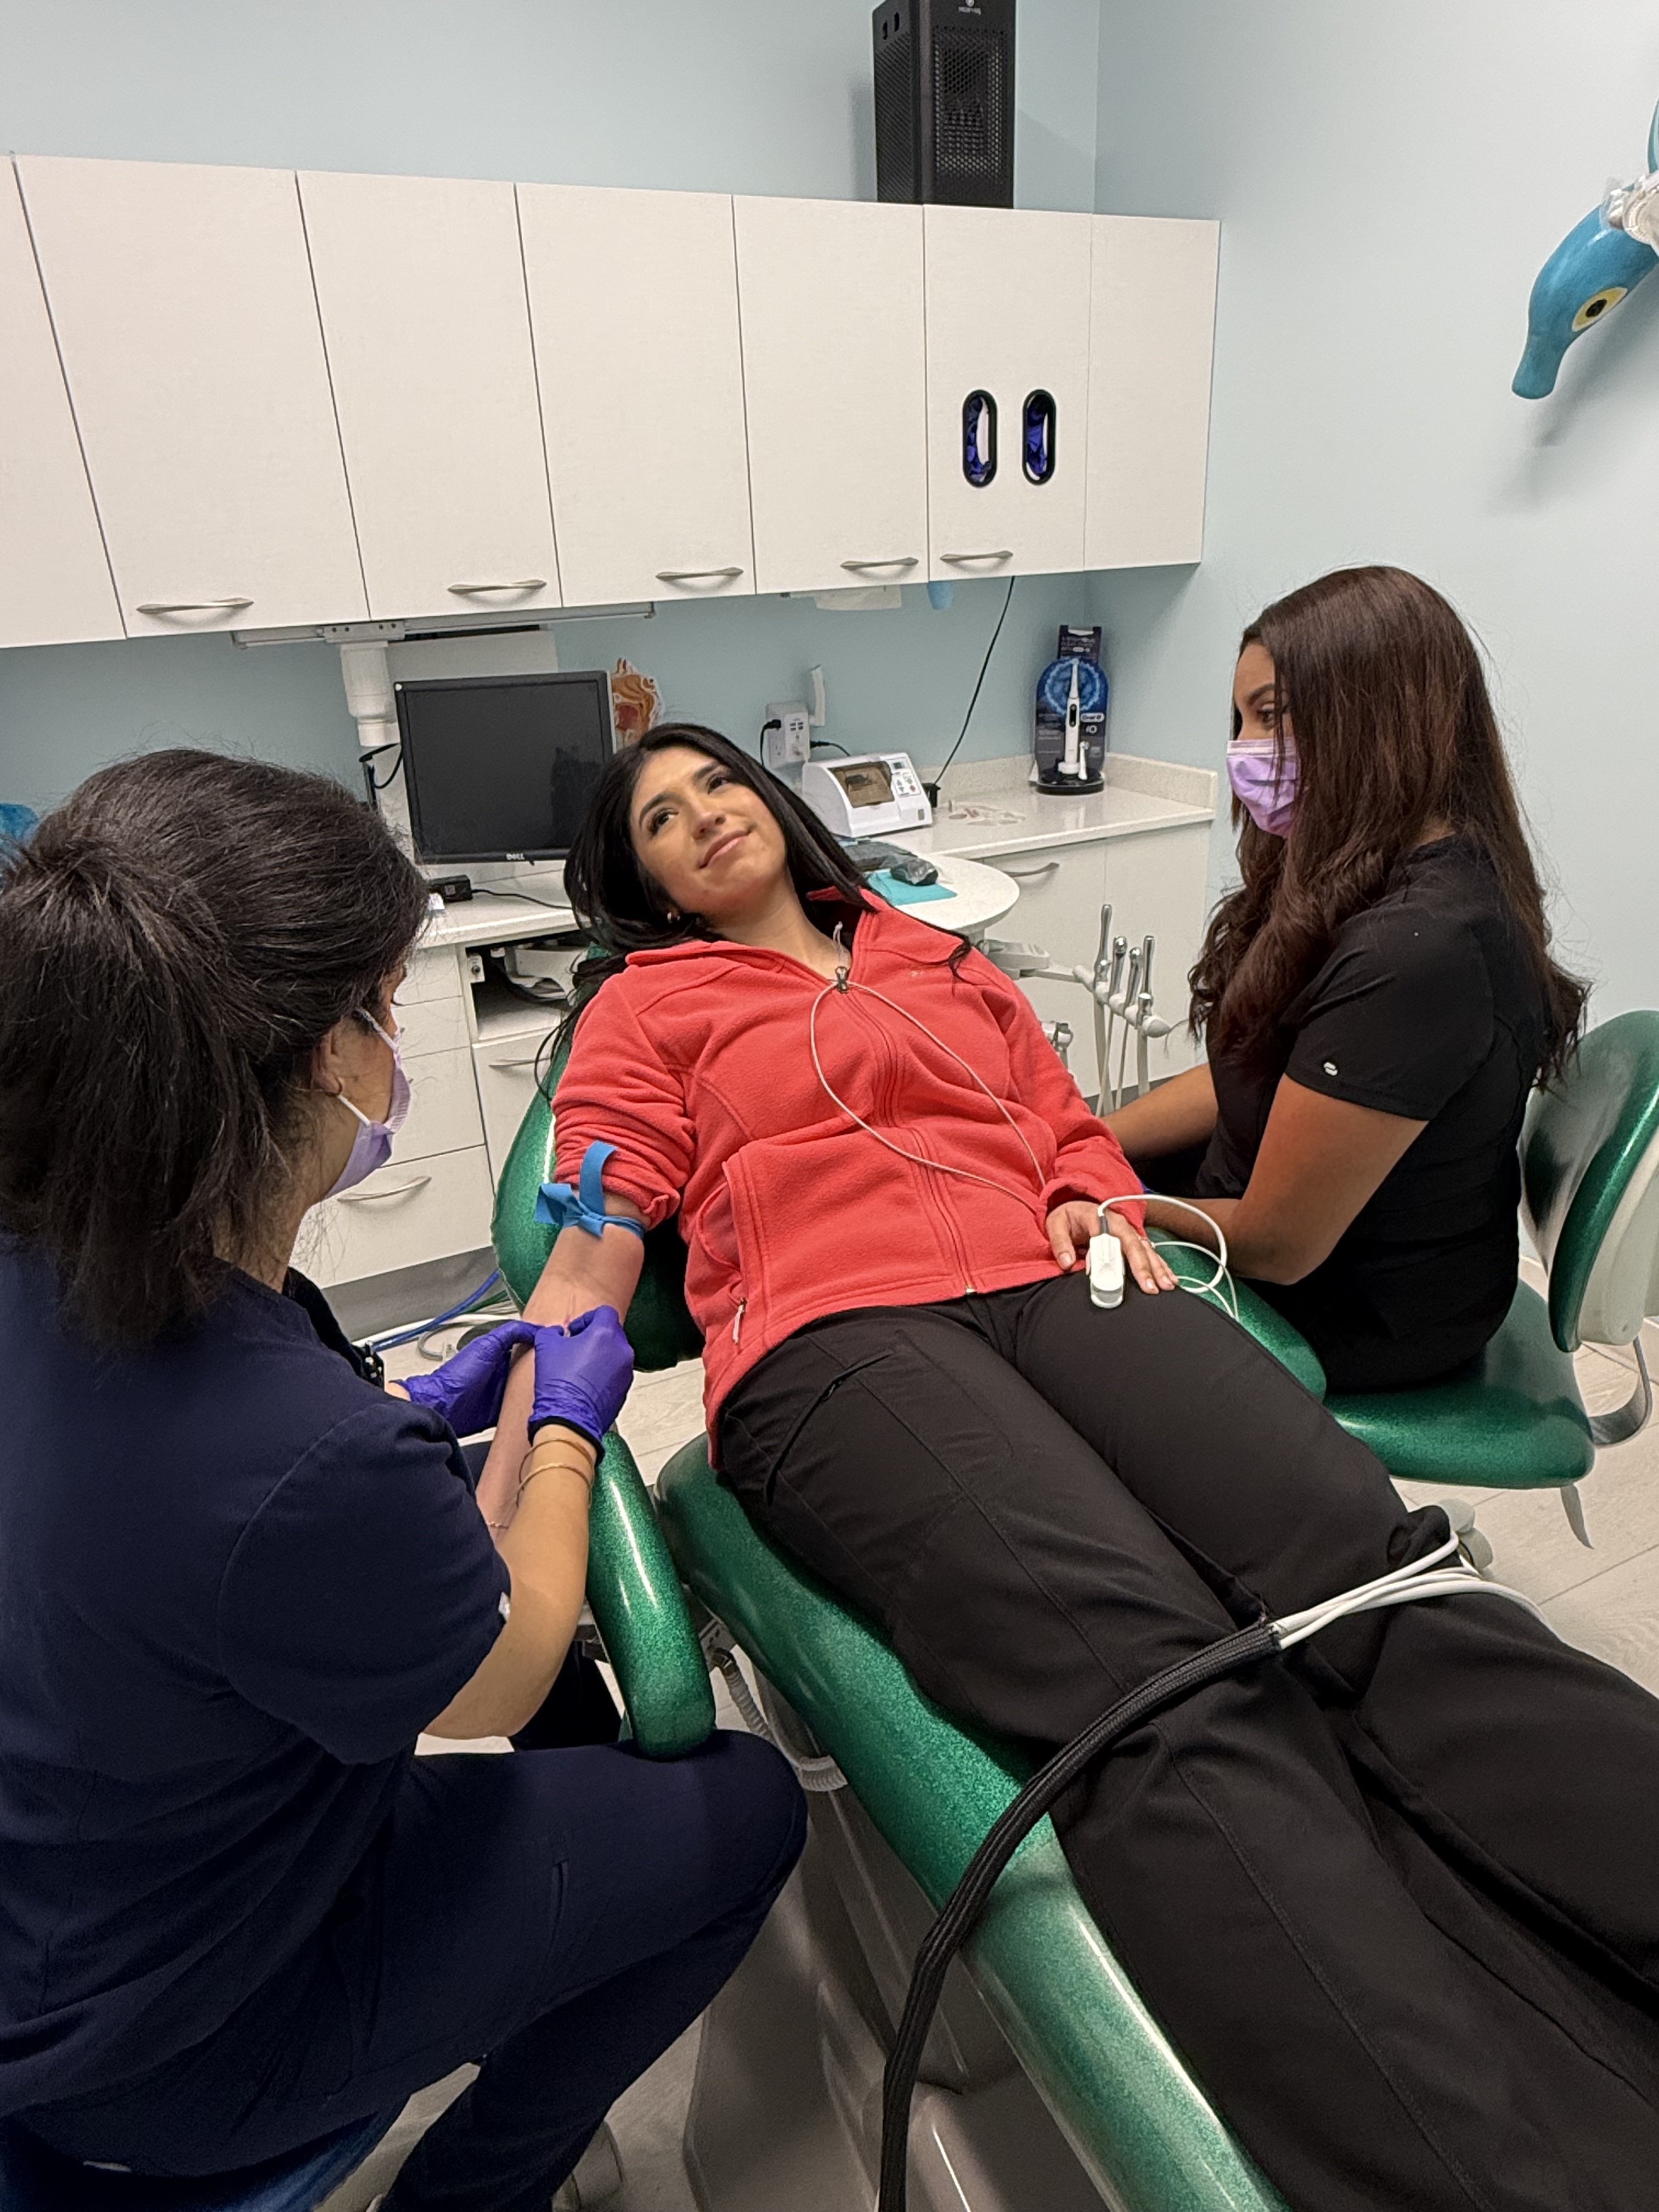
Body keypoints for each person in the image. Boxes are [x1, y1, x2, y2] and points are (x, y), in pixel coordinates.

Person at [489, 718, 1659, 2212]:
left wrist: (1095, 1197)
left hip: (1053, 1284)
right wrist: (545, 1402)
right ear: (640, 881)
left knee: (1371, 1580)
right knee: (1151, 1677)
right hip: (831, 1343)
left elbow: (1063, 1124)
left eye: (721, 783)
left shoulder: (934, 958)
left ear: (775, 804)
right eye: (662, 816)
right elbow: (599, 1234)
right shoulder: (649, 1009)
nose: (706, 815)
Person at [0, 751, 804, 2211]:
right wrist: (559, 1426)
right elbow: (500, 1671)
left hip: (63, 1908)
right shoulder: (286, 1456)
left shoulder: (71, 1255)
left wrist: (406, 1419)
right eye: (380, 1009)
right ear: (321, 1053)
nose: (391, 1047)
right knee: (747, 1810)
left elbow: (235, 1498)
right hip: (174, 2048)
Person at [1106, 565, 1587, 1390]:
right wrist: (1083, 1140)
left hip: (1349, 1311)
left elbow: (1280, 1245)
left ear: (1371, 716)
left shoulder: (1419, 951)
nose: (1245, 753)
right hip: (1310, 1240)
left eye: (1273, 718)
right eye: (1241, 720)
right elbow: (1256, 1080)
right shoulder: (1368, 875)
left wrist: (1103, 1200)